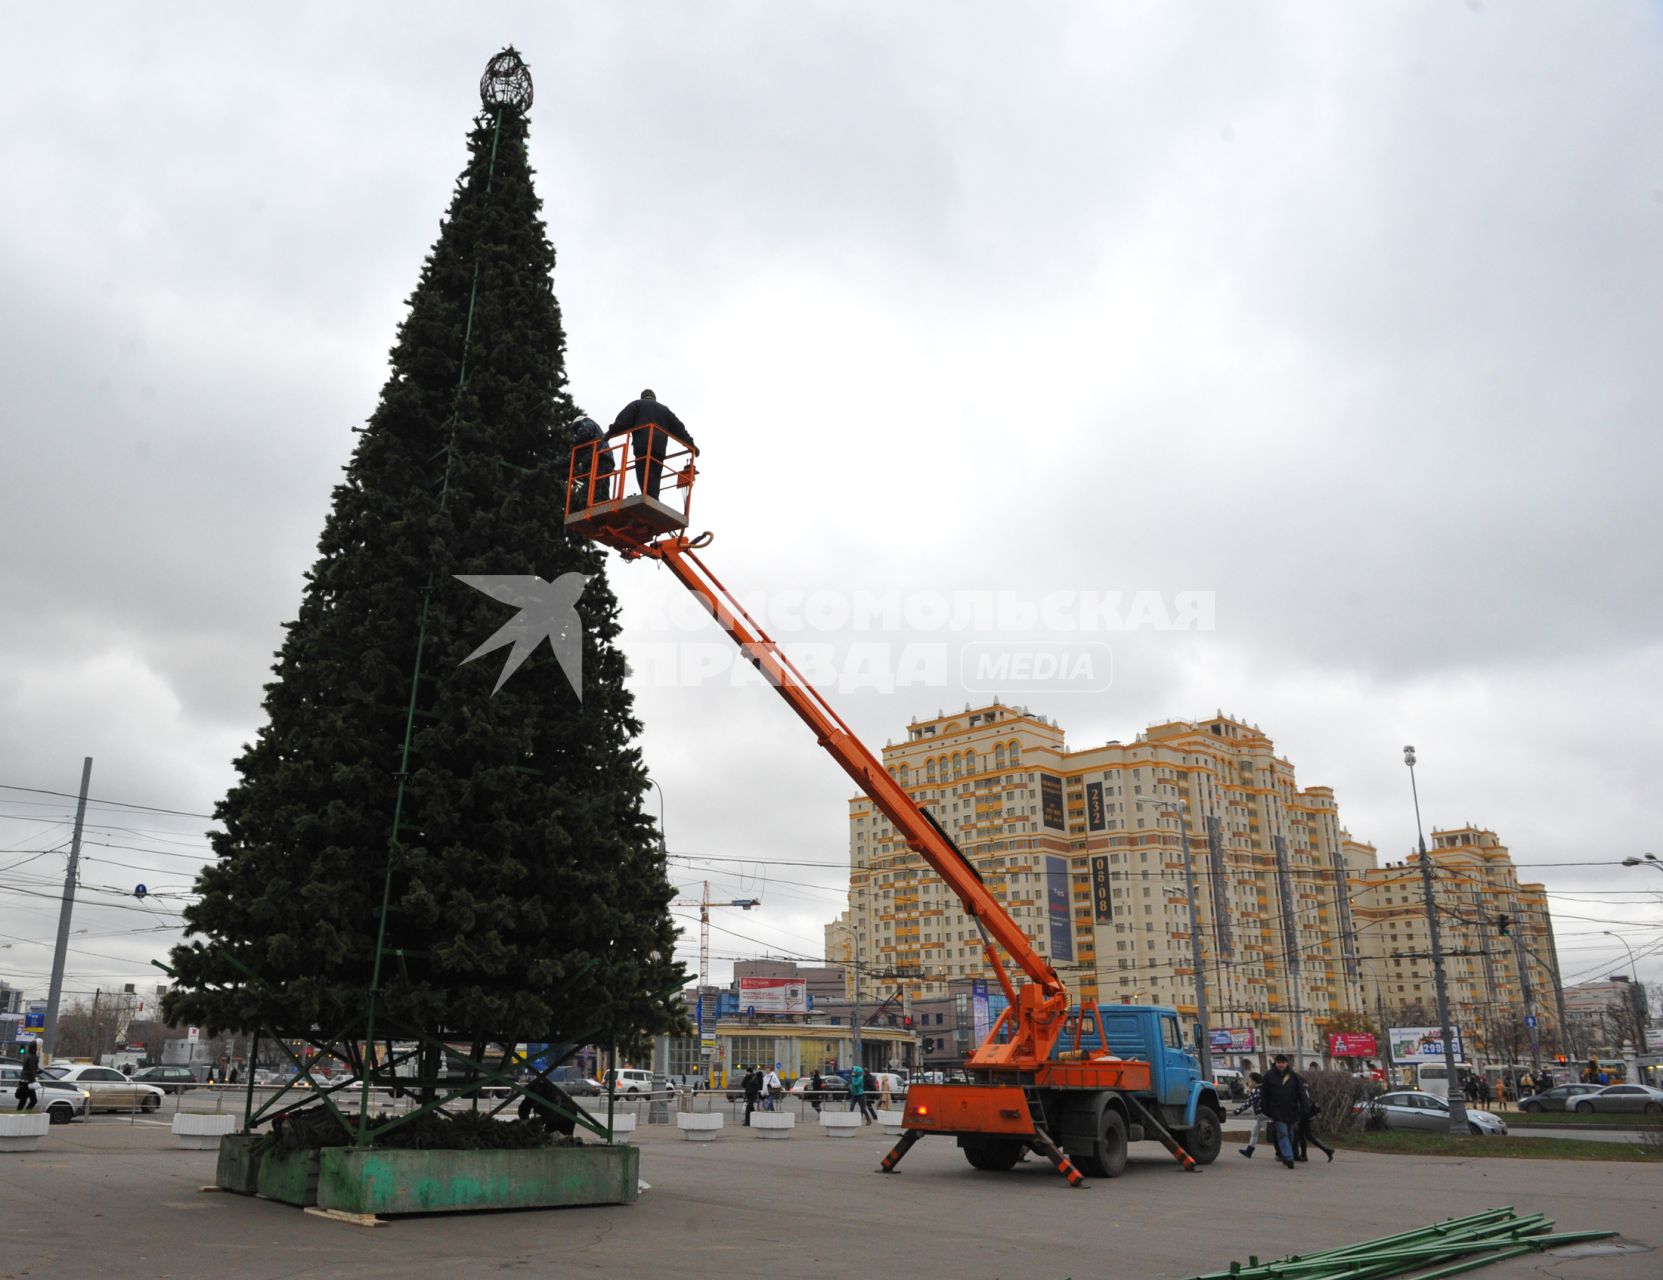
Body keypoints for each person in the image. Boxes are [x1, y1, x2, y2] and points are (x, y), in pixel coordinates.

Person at [609, 389, 696, 500]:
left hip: (642, 447)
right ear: (654, 397)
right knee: (655, 476)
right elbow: (679, 428)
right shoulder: (665, 410)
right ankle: (653, 498)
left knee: (643, 474)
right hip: (659, 450)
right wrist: (691, 444)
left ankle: (649, 497)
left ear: (643, 396)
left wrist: (609, 433)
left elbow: (622, 422)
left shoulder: (637, 404)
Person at [1258, 1055, 1303, 1169]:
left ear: (1287, 1063)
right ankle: (1289, 1158)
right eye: (1279, 1062)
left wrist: (1304, 1106)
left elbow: (1300, 1093)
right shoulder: (1269, 1076)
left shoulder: (1293, 1076)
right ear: (1275, 1063)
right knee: (1282, 1133)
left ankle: (1285, 1155)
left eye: (1283, 1062)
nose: (1281, 1064)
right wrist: (1265, 1109)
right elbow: (1264, 1094)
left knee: (1290, 1134)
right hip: (1276, 1110)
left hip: (1291, 1109)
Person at [569, 414, 616, 503]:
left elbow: (585, 434)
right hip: (606, 458)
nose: (576, 432)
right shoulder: (595, 430)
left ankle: (594, 505)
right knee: (603, 487)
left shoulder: (586, 423)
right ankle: (604, 504)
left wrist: (572, 442)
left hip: (598, 458)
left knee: (594, 486)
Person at [1296, 1074, 1335, 1163]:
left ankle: (1327, 1150)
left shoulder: (1299, 1086)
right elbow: (1312, 1099)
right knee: (1302, 1134)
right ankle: (1304, 1155)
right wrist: (1317, 1110)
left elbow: (1305, 1100)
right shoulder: (1306, 1086)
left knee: (1306, 1135)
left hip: (1304, 1112)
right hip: (1309, 1112)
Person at [1237, 1072, 1267, 1158]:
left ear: (1254, 1081)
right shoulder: (1261, 1089)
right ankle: (1249, 1150)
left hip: (1262, 1115)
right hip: (1260, 1116)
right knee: (1254, 1132)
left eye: (1250, 1081)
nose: (1249, 1083)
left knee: (1271, 1133)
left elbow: (1249, 1102)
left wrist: (1237, 1111)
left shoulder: (1257, 1090)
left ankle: (1281, 1152)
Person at [15, 1043, 40, 1112]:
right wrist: (33, 1081)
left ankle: (18, 1114)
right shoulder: (34, 1057)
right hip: (28, 1082)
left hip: (23, 1081)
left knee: (23, 1100)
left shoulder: (27, 1056)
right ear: (35, 1048)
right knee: (33, 1100)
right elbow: (31, 1069)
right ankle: (26, 1113)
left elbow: (28, 1068)